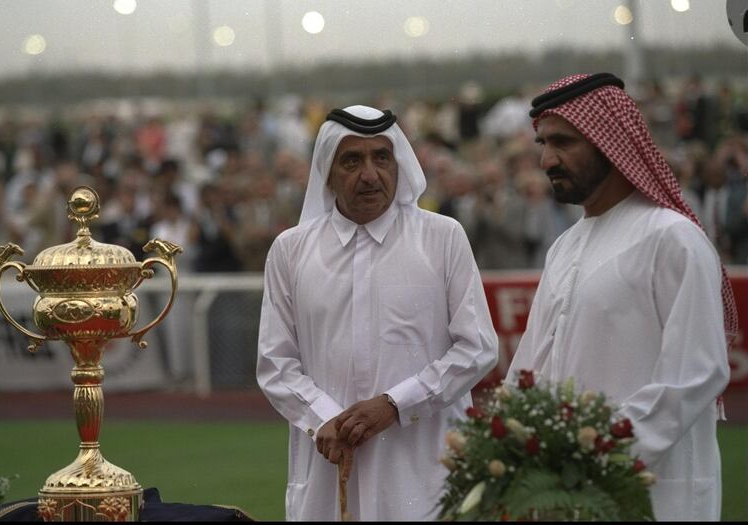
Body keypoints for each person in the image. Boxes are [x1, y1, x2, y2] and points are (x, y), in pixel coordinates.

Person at [506, 73, 736, 521]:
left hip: (650, 491)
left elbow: (695, 373)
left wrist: (598, 455)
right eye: (542, 144)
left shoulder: (672, 238)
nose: (547, 159)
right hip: (560, 493)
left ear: (608, 141)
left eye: (563, 142)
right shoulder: (564, 246)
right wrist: (514, 451)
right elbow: (529, 369)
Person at [256, 105, 498, 521]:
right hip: (328, 461)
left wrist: (395, 405)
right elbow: (275, 363)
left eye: (381, 158)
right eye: (352, 160)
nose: (370, 174)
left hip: (425, 466)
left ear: (398, 163)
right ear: (327, 172)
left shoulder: (442, 238)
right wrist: (327, 420)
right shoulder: (291, 250)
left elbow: (477, 348)